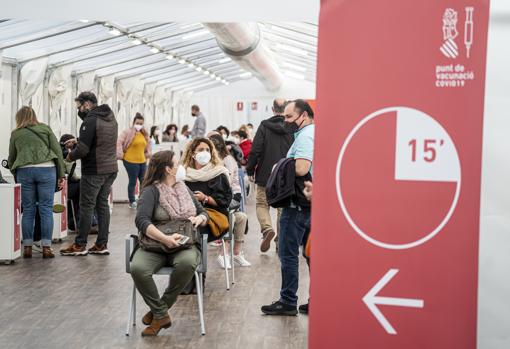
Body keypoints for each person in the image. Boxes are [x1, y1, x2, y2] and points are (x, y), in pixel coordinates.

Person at [131, 150, 209, 337]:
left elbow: (203, 212)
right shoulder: (151, 191)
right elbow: (141, 221)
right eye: (177, 163)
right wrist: (164, 238)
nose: (180, 166)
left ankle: (159, 312)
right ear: (168, 169)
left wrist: (200, 218)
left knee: (187, 263)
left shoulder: (184, 188)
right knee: (138, 268)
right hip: (154, 244)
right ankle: (161, 314)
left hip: (184, 244)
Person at [261, 99, 314, 316]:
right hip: (308, 202)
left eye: (290, 117)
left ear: (304, 116)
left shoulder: (306, 136)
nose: (286, 121)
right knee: (310, 254)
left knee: (288, 252)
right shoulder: (311, 134)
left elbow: (301, 168)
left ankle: (288, 300)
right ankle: (316, 299)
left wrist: (279, 164)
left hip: (296, 205)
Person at [60, 91, 118, 256]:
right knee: (102, 205)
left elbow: (84, 150)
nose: (79, 111)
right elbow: (99, 141)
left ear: (86, 104)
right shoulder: (110, 118)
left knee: (86, 206)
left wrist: (69, 157)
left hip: (94, 170)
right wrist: (78, 141)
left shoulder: (90, 120)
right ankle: (101, 244)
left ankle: (79, 245)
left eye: (79, 107)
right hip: (110, 169)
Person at [8, 106, 66, 259]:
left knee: (28, 209)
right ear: (34, 115)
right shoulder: (45, 129)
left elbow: (11, 157)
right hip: (47, 170)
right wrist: (61, 174)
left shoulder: (16, 133)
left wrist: (15, 173)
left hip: (24, 171)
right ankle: (46, 247)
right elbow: (57, 152)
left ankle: (27, 247)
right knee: (46, 209)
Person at [246, 98, 293, 252]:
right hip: (286, 173)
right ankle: (280, 241)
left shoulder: (264, 126)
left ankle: (267, 229)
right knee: (282, 208)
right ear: (286, 109)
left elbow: (255, 150)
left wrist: (250, 170)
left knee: (261, 204)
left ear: (272, 110)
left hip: (266, 174)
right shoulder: (292, 127)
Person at [209, 134, 251, 267]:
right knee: (236, 217)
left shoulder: (227, 159)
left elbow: (226, 182)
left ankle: (234, 253)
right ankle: (225, 253)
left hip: (231, 195)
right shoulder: (215, 160)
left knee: (239, 217)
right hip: (219, 196)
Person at [182, 138, 232, 243]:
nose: (205, 152)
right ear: (192, 154)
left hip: (214, 215)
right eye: (201, 150)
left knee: (194, 229)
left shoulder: (219, 173)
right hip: (188, 214)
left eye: (207, 150)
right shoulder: (184, 174)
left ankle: (196, 258)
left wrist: (205, 198)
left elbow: (225, 202)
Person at [60, 134, 99, 233]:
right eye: (71, 144)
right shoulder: (64, 154)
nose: (73, 146)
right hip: (66, 186)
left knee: (86, 189)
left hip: (70, 185)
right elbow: (71, 173)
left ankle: (86, 222)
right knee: (86, 189)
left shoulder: (68, 153)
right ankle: (88, 223)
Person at [117, 113, 151, 209]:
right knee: (133, 181)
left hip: (142, 160)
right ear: (133, 122)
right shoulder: (127, 132)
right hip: (130, 160)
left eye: (141, 123)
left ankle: (142, 200)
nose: (139, 125)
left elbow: (148, 144)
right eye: (137, 123)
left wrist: (148, 153)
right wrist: (120, 154)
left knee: (143, 181)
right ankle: (132, 201)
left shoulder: (144, 133)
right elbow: (119, 142)